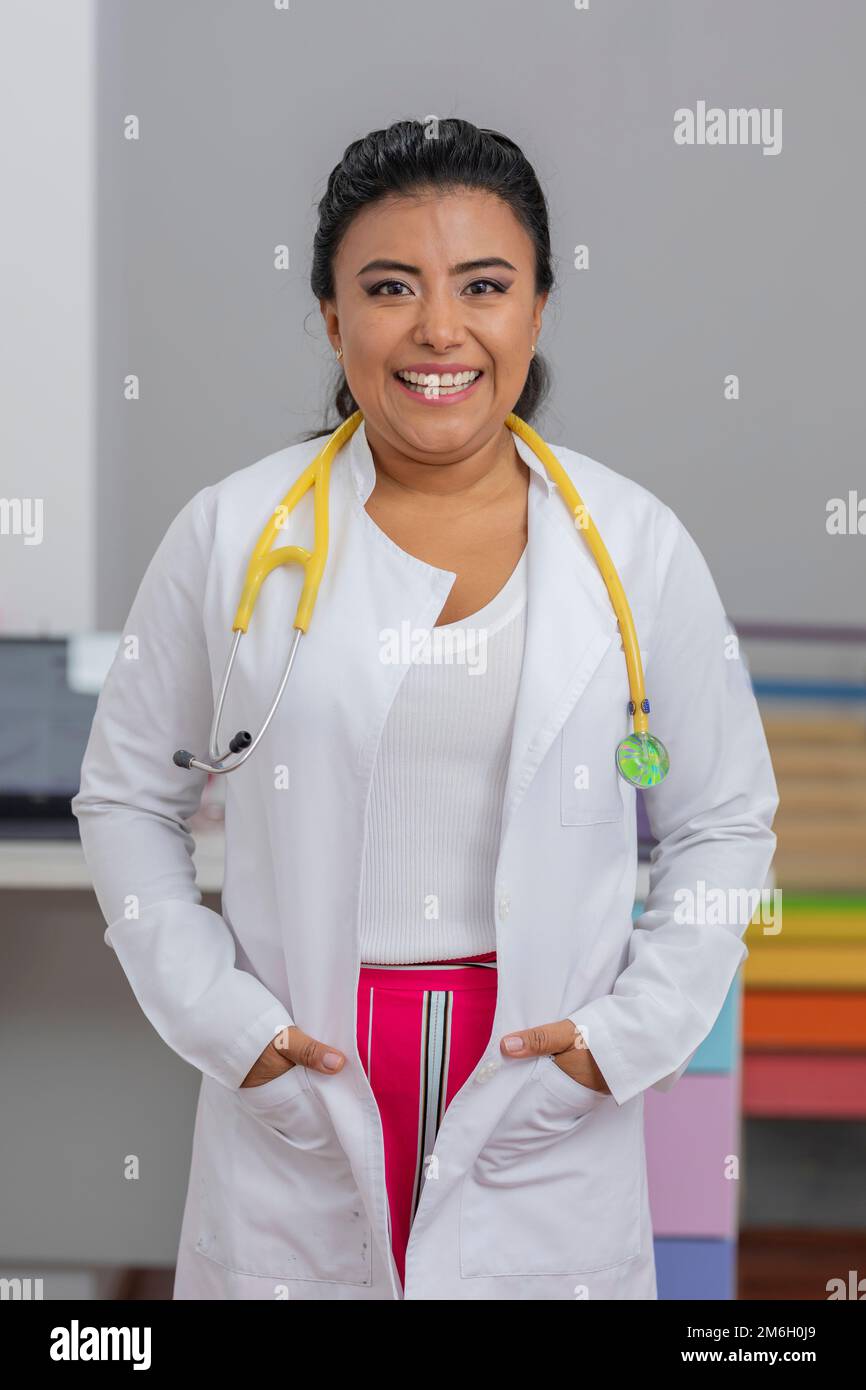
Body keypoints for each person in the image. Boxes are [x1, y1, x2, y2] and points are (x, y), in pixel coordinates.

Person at [72, 117, 779, 1300]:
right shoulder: (235, 534)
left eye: (483, 286)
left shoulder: (634, 545)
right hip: (304, 1067)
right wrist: (223, 1025)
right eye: (389, 287)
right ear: (331, 314)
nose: (438, 329)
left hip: (534, 1078)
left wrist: (621, 1043)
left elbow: (725, 821)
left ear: (538, 309)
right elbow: (127, 791)